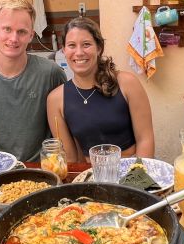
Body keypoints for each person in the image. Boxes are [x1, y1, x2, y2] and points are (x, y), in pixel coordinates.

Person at [0, 0, 66, 161]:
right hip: (0, 167)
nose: (13, 38)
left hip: (41, 167)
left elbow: (63, 125)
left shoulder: (51, 73)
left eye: (21, 31)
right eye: (7, 29)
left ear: (31, 35)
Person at [47, 17, 154, 162]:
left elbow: (145, 140)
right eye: (71, 45)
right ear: (64, 50)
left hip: (131, 170)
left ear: (99, 48)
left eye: (86, 44)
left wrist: (138, 176)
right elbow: (69, 159)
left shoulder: (127, 83)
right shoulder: (55, 99)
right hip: (90, 175)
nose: (79, 52)